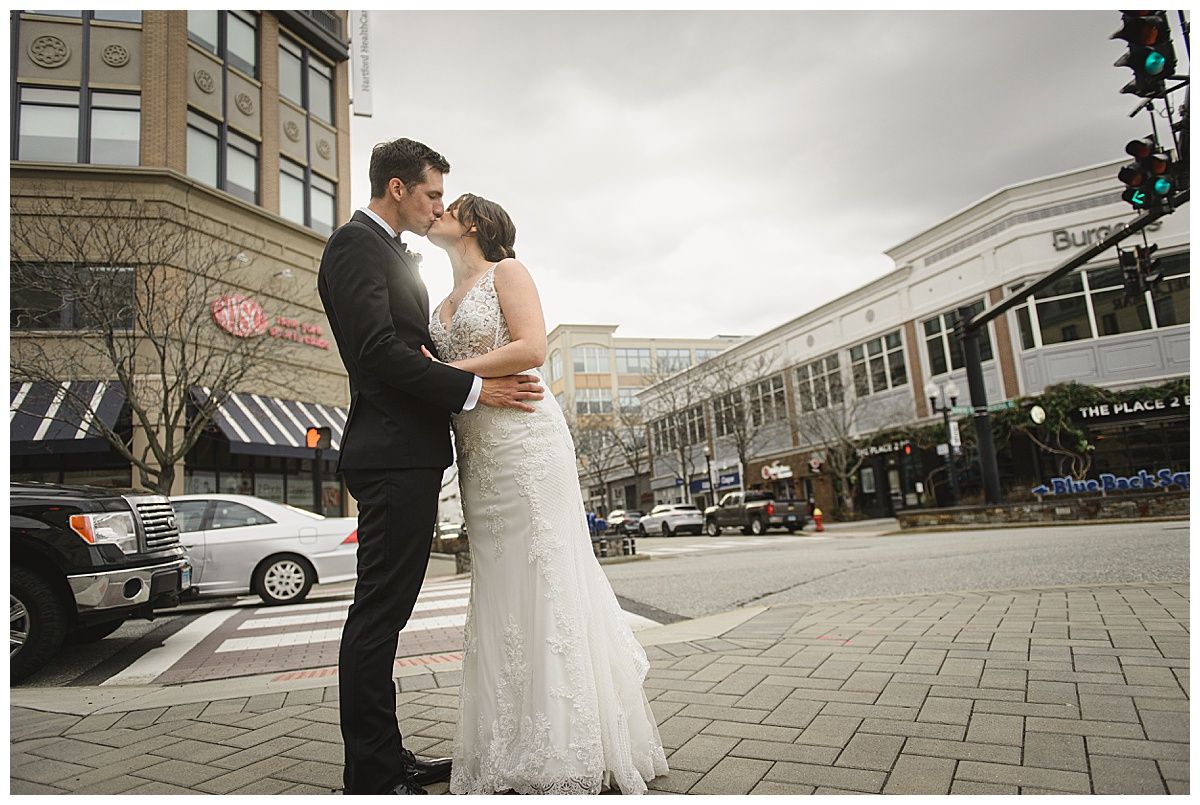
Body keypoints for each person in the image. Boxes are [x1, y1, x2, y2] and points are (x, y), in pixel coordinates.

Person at [317, 139, 545, 795]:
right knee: (377, 616)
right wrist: (475, 391)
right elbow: (378, 351)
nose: (438, 205)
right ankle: (372, 772)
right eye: (432, 194)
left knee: (385, 614)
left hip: (408, 455)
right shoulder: (355, 245)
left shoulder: (392, 253)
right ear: (397, 188)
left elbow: (408, 345)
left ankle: (384, 758)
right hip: (390, 454)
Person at [424, 193, 669, 795]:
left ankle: (570, 746)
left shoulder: (506, 272)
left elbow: (531, 347)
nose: (437, 212)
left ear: (473, 223)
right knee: (500, 592)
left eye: (447, 205)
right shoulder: (438, 304)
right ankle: (510, 743)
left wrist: (446, 373)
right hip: (479, 457)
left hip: (526, 443)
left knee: (547, 580)